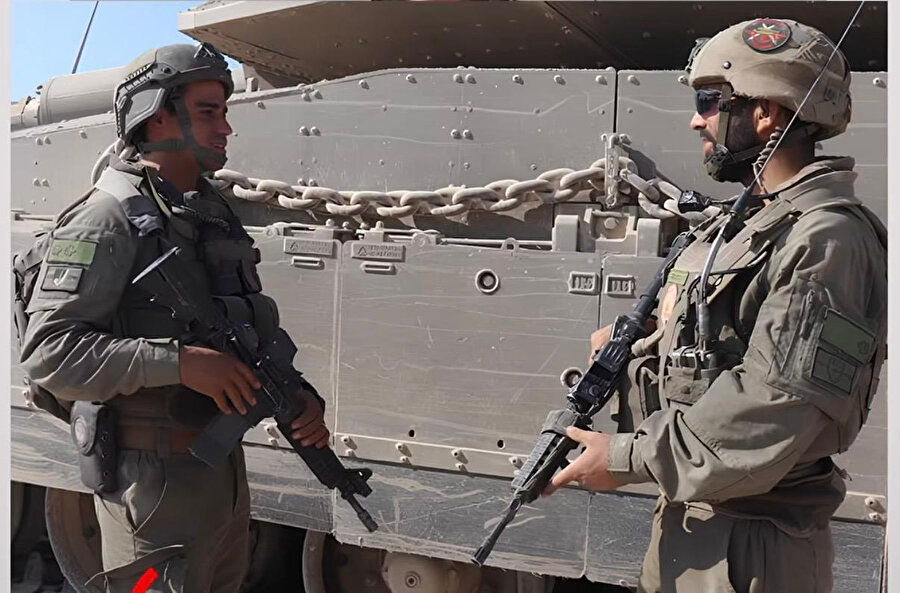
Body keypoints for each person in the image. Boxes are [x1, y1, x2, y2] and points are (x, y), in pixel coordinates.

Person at [543, 18, 887, 593]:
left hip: (752, 549)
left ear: (766, 113)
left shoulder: (826, 237)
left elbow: (777, 402)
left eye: (710, 101)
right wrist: (641, 351)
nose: (696, 119)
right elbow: (722, 351)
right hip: (697, 518)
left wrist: (628, 459)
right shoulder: (756, 221)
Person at [20, 43, 330, 592]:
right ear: (157, 117)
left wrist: (298, 395)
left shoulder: (206, 216)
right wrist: (181, 363)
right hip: (151, 490)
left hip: (219, 481)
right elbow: (50, 354)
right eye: (208, 112)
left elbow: (244, 327)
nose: (226, 128)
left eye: (224, 112)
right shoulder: (105, 219)